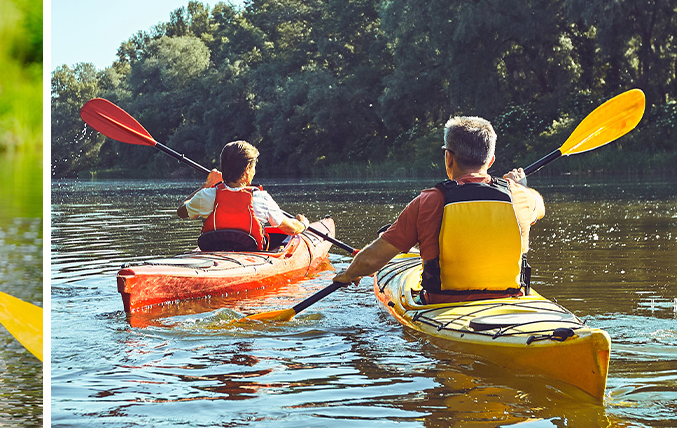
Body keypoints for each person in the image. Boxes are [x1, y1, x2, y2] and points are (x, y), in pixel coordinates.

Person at [333, 116, 545, 303]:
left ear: (448, 157)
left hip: (443, 305)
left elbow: (372, 259)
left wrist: (350, 273)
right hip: (509, 301)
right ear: (490, 160)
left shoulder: (428, 201)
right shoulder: (520, 197)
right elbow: (539, 207)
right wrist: (519, 185)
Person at [176, 140, 310, 252]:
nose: (254, 172)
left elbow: (181, 211)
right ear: (247, 170)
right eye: (253, 167)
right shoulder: (261, 199)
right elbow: (290, 229)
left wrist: (207, 184)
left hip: (213, 255)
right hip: (252, 259)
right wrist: (303, 225)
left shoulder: (206, 195)